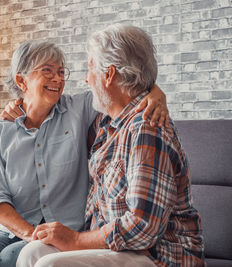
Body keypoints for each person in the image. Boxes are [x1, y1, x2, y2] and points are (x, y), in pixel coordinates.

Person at [0, 40, 169, 267]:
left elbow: (124, 87)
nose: (57, 79)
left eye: (60, 72)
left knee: (12, 258)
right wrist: (30, 233)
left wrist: (157, 95)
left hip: (64, 229)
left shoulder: (79, 108)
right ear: (21, 80)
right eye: (47, 71)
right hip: (9, 230)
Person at [16, 24, 205, 267]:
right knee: (32, 253)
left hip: (157, 256)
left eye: (90, 67)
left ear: (109, 75)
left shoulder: (147, 128)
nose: (86, 78)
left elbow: (143, 227)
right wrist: (19, 105)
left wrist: (75, 239)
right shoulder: (107, 124)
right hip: (119, 251)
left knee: (48, 265)